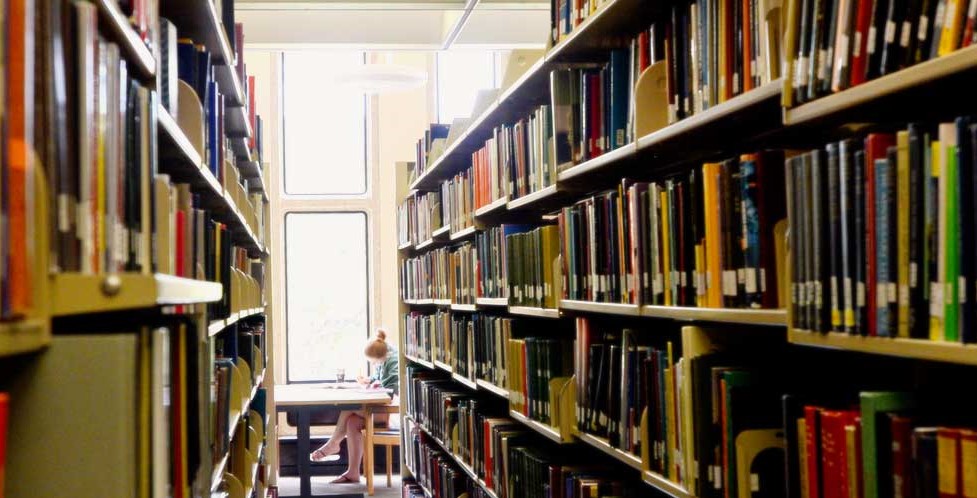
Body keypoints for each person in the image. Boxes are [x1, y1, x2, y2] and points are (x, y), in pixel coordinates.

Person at [310, 328, 399, 484]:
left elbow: (390, 391)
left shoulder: (393, 361)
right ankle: (353, 473)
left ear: (382, 357)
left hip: (390, 413)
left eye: (375, 361)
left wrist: (375, 386)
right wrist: (369, 381)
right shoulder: (384, 355)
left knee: (349, 407)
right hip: (379, 409)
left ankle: (333, 444)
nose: (374, 364)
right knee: (351, 421)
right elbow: (380, 379)